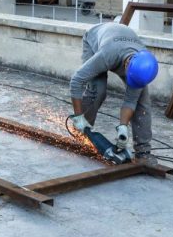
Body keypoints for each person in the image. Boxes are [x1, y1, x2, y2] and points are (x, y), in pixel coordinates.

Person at [68, 22, 159, 164]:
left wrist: (123, 127)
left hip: (118, 41)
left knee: (142, 100)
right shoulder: (107, 55)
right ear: (127, 65)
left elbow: (130, 101)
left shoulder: (143, 66)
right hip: (96, 41)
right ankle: (82, 134)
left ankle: (143, 152)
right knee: (98, 90)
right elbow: (76, 81)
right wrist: (78, 116)